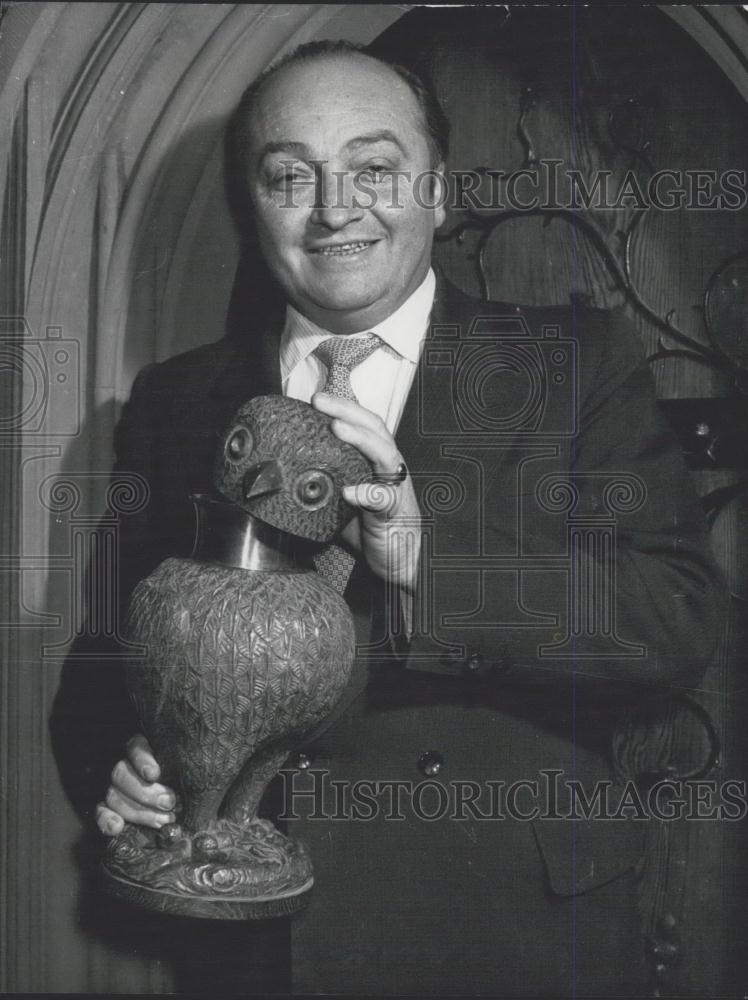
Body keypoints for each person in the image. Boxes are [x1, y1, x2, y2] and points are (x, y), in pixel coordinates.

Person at [62, 40, 725, 996]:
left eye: (375, 168)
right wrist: (124, 776)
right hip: (259, 950)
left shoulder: (574, 362)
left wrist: (427, 558)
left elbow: (679, 616)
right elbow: (101, 666)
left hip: (510, 931)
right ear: (254, 208)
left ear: (438, 193)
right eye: (291, 175)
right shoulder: (177, 401)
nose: (335, 208)